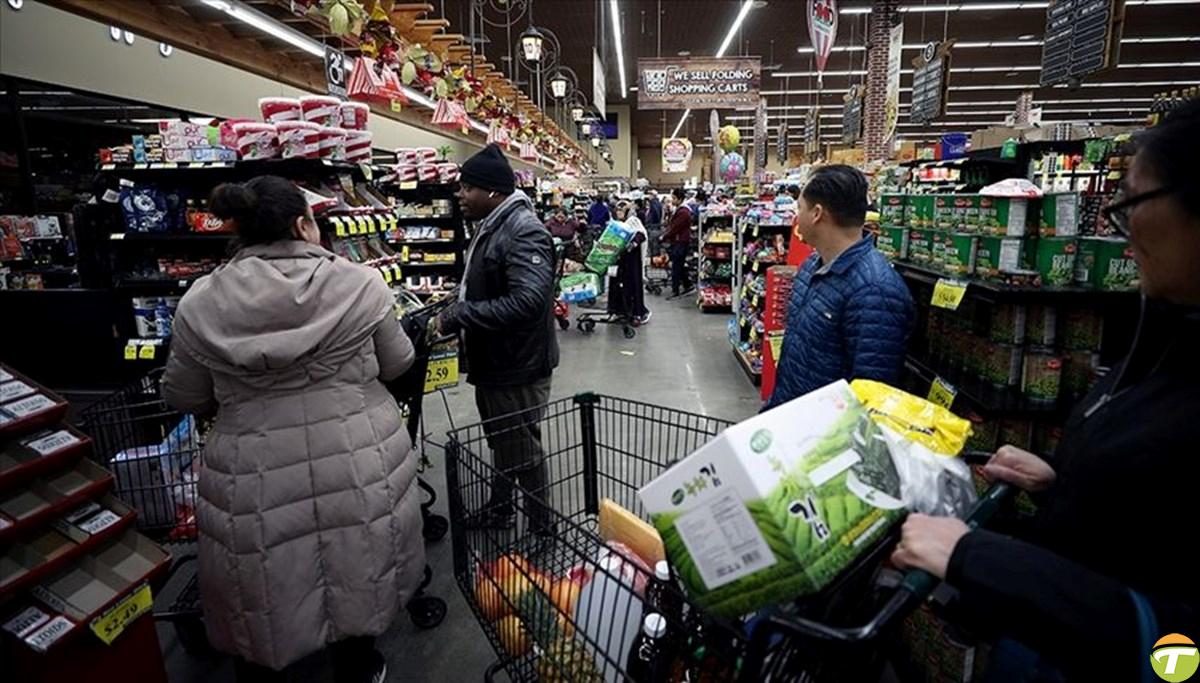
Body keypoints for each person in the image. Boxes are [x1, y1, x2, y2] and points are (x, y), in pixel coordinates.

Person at [892, 100, 1200, 683]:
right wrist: (1068, 480)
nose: (1120, 227)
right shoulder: (1169, 332)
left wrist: (976, 558)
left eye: (1131, 202)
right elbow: (1168, 517)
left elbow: (1179, 656)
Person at [162, 176, 421, 683]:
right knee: (358, 560)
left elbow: (184, 394)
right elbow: (398, 363)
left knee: (263, 575)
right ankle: (359, 666)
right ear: (305, 224)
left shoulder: (200, 302)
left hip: (252, 468)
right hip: (355, 455)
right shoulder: (361, 285)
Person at [434, 144, 559, 534]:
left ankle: (543, 528)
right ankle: (501, 509)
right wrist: (459, 298)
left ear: (491, 191)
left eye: (466, 188)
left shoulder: (522, 230)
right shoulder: (495, 225)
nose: (459, 196)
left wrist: (460, 314)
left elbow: (528, 301)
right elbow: (491, 283)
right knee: (506, 445)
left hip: (516, 364)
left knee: (522, 449)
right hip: (500, 360)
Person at [764, 165, 913, 409]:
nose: (795, 216)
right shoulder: (812, 265)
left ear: (817, 214)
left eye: (799, 207)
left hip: (822, 438)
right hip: (791, 419)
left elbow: (870, 395)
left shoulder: (876, 291)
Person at [607, 200, 650, 323]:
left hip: (631, 261)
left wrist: (632, 243)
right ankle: (616, 310)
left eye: (622, 210)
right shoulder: (614, 223)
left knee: (632, 286)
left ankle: (637, 312)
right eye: (618, 210)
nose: (619, 212)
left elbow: (641, 235)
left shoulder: (633, 221)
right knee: (615, 285)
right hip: (617, 260)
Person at [659, 188, 694, 297]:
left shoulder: (683, 212)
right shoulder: (680, 210)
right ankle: (688, 285)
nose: (672, 200)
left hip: (680, 241)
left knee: (676, 266)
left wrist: (664, 237)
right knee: (679, 265)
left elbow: (675, 228)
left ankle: (676, 290)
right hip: (679, 241)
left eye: (674, 198)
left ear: (680, 199)